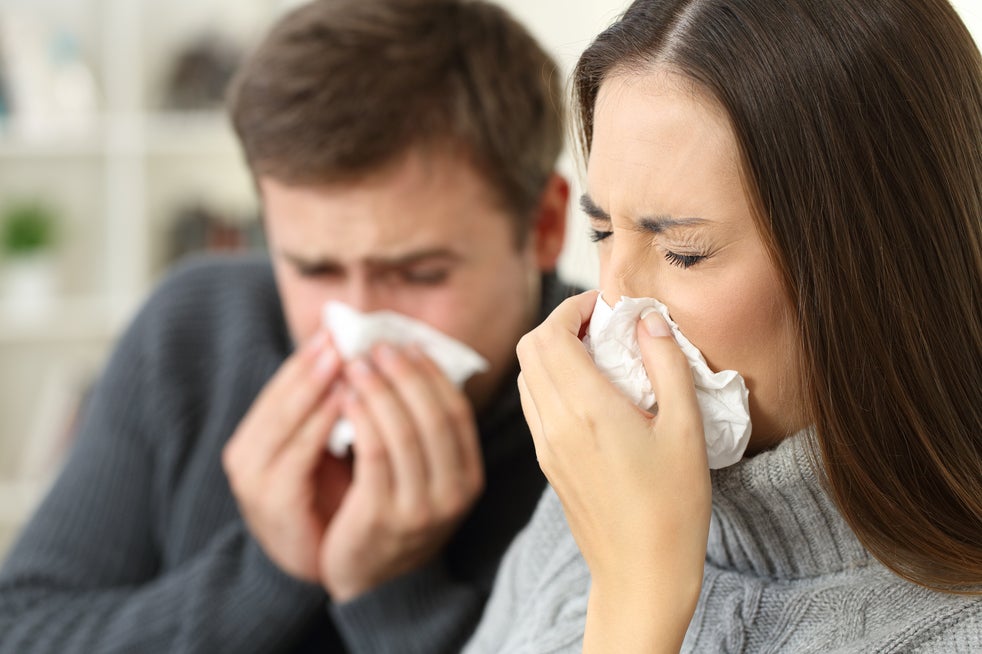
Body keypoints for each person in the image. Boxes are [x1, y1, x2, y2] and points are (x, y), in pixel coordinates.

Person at [0, 0, 574, 652]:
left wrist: (395, 592)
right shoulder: (192, 332)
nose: (358, 324)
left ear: (544, 227)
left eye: (420, 273)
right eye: (314, 269)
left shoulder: (621, 403)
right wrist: (265, 573)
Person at [463, 0, 982, 651]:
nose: (614, 303)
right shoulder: (599, 502)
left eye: (683, 250)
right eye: (601, 232)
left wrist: (637, 597)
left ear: (875, 266)